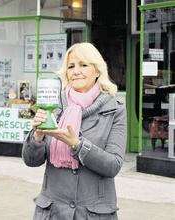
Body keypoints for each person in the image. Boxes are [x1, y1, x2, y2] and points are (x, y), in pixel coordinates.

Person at [22, 42, 127, 220]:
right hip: (52, 212)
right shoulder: (54, 106)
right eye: (71, 66)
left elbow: (113, 165)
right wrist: (37, 136)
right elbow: (31, 161)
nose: (76, 71)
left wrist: (77, 145)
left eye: (83, 65)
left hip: (93, 214)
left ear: (97, 71)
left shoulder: (115, 108)